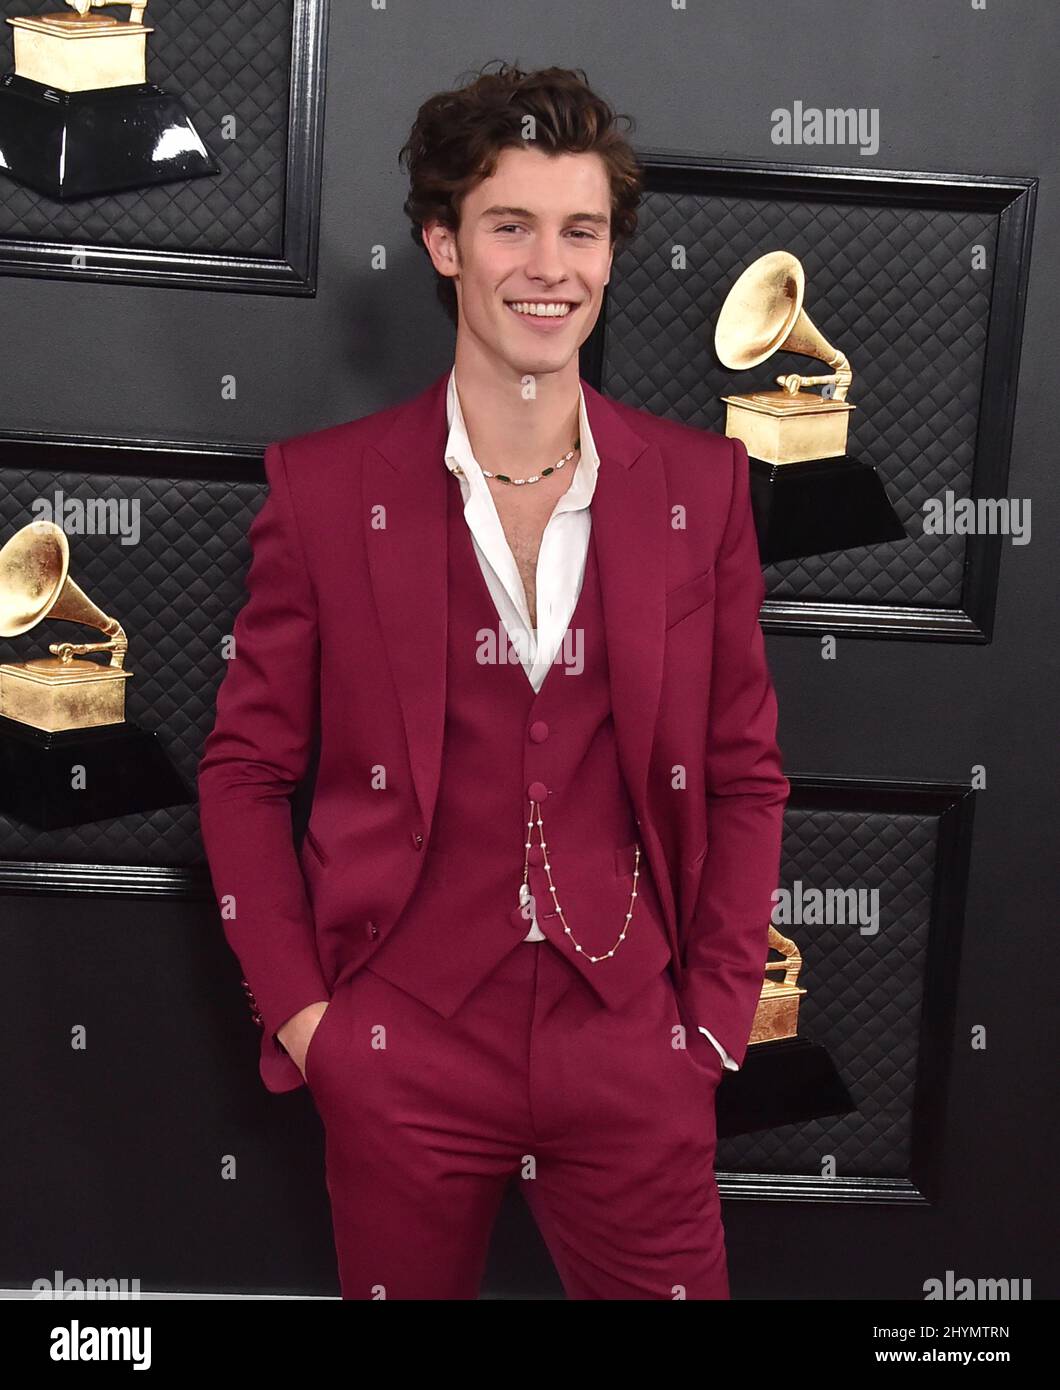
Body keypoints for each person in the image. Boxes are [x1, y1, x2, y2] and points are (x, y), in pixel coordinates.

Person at [197, 61, 789, 1300]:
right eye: (508, 225)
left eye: (579, 231)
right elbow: (245, 773)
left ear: (614, 256)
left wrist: (714, 1022)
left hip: (633, 1045)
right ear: (442, 243)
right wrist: (312, 1023)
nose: (548, 266)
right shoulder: (322, 489)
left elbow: (741, 773)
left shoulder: (702, 490)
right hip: (400, 1044)